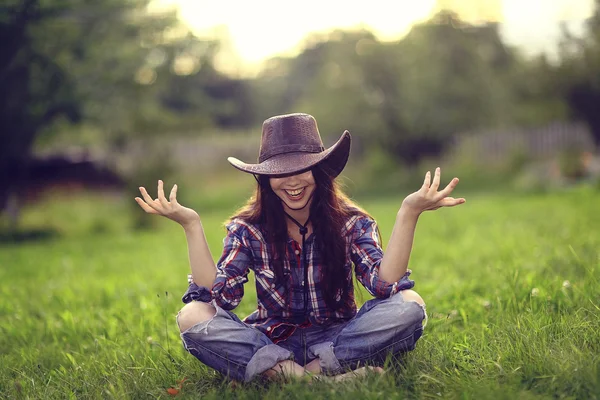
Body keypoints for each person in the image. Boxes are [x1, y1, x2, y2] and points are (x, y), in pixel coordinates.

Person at [134, 113, 465, 382]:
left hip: (340, 337)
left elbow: (383, 284)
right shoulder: (247, 228)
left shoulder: (351, 222)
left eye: (301, 169)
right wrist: (191, 225)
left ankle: (287, 375)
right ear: (265, 179)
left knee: (410, 305)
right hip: (271, 338)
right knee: (192, 316)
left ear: (319, 172)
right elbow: (222, 298)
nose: (292, 181)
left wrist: (409, 212)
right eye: (280, 172)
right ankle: (324, 382)